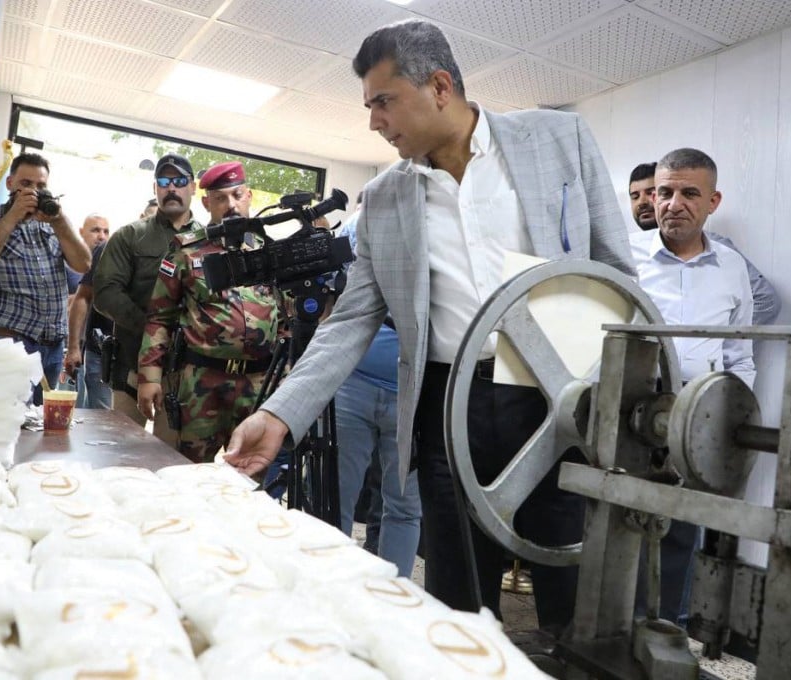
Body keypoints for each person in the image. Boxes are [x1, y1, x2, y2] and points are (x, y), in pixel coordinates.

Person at [224, 19, 634, 631]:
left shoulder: (558, 139)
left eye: (383, 102)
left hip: (561, 402)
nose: (373, 122)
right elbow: (353, 319)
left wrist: (629, 402)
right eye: (369, 106)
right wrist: (280, 413)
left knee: (573, 591)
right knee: (459, 602)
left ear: (440, 86)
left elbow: (617, 278)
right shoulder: (386, 197)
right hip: (449, 410)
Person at [628, 148, 755, 624]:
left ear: (713, 201)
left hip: (698, 419)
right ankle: (613, 633)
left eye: (688, 193)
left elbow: (740, 354)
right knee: (620, 520)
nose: (672, 203)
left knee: (681, 528)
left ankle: (666, 631)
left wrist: (733, 419)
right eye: (664, 192)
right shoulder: (625, 256)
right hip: (630, 412)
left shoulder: (732, 269)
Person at [137, 161, 283, 463]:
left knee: (251, 474)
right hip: (203, 384)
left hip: (258, 386)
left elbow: (287, 320)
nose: (230, 204)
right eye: (220, 198)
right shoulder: (187, 252)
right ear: (206, 203)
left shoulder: (269, 254)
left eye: (237, 195)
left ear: (249, 196)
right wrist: (149, 377)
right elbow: (159, 318)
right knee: (190, 471)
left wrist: (285, 380)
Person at [334, 201, 421, 578]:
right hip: (355, 383)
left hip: (415, 394)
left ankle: (394, 595)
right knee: (336, 495)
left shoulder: (444, 233)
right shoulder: (359, 226)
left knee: (403, 506)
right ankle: (329, 587)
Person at [93, 154, 202, 445]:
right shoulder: (130, 236)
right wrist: (154, 330)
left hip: (186, 377)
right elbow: (105, 294)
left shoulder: (209, 241)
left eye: (179, 182)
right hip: (131, 368)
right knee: (121, 456)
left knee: (172, 462)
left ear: (193, 187)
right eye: (164, 182)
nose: (172, 189)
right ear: (155, 188)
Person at [0, 152, 91, 404]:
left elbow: (83, 264)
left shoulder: (52, 223)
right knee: (6, 419)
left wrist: (59, 220)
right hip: (10, 343)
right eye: (26, 184)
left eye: (41, 186)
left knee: (42, 428)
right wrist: (13, 216)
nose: (33, 192)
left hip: (53, 346)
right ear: (10, 183)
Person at [629, 161, 780, 324]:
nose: (642, 202)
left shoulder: (713, 247)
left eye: (652, 192)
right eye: (635, 196)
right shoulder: (628, 250)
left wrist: (717, 340)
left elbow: (765, 301)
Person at [64, 214, 111, 407]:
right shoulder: (69, 266)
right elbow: (71, 302)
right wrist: (72, 347)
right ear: (81, 233)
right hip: (77, 348)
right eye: (95, 230)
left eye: (106, 231)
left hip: (99, 349)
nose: (101, 236)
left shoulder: (112, 260)